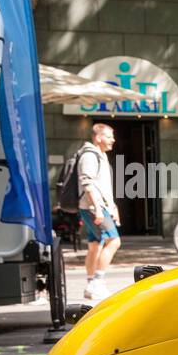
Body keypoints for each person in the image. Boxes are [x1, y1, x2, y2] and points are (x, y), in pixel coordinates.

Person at [76, 123, 120, 300]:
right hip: (94, 207)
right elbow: (87, 183)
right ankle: (97, 282)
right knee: (114, 241)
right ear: (99, 137)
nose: (113, 140)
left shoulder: (100, 155)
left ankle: (90, 286)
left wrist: (113, 207)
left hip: (98, 207)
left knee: (95, 245)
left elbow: (103, 186)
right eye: (109, 136)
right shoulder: (90, 155)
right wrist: (98, 209)